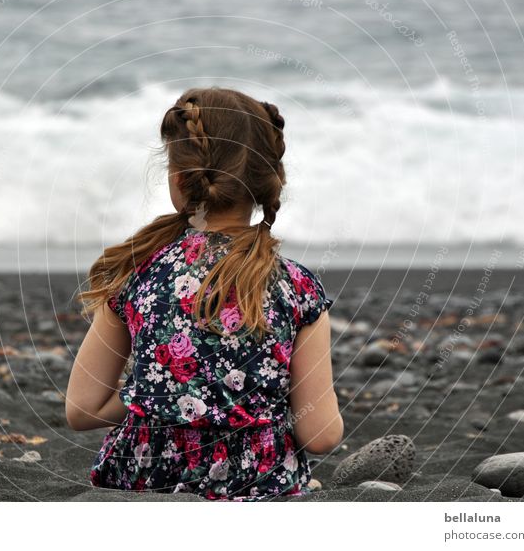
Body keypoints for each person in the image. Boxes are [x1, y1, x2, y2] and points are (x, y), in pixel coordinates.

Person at [66, 87, 343, 500]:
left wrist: (163, 398)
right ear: (271, 182)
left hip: (142, 485)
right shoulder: (297, 288)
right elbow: (319, 435)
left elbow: (82, 408)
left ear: (179, 180)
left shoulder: (137, 272)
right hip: (257, 488)